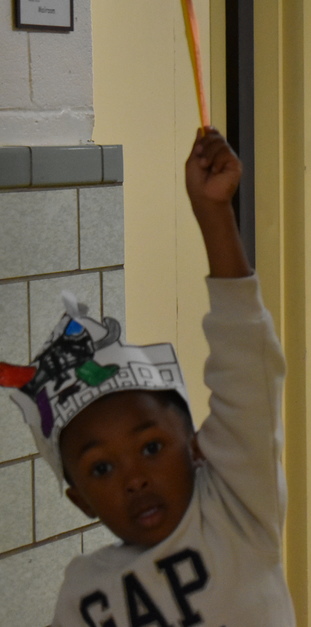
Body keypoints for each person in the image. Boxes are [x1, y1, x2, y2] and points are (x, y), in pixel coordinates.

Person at [0, 128, 294, 626]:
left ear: (197, 445)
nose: (134, 478)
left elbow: (247, 367)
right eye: (100, 469)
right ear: (79, 500)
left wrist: (214, 215)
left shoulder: (238, 507)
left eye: (152, 447)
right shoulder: (84, 594)